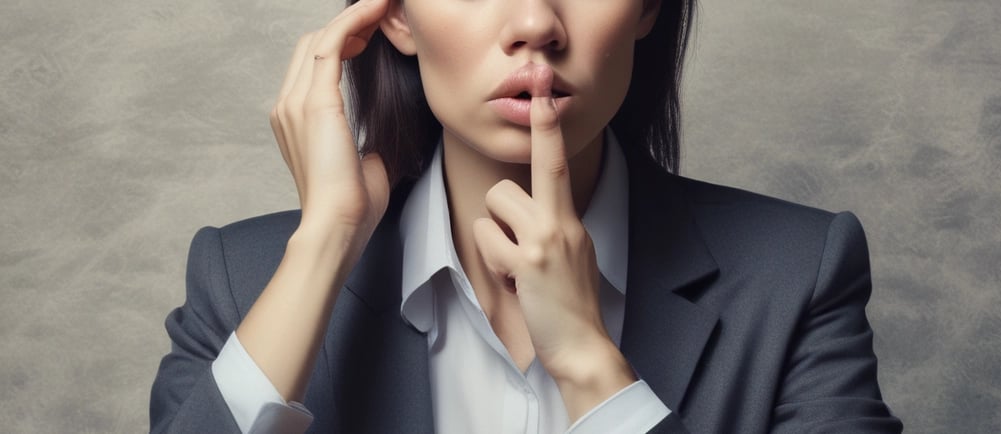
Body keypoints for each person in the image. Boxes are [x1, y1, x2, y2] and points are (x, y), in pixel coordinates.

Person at [149, 0, 904, 432]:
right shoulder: (244, 282)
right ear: (396, 17)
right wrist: (321, 247)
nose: (537, 21)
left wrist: (589, 364)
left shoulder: (799, 275)